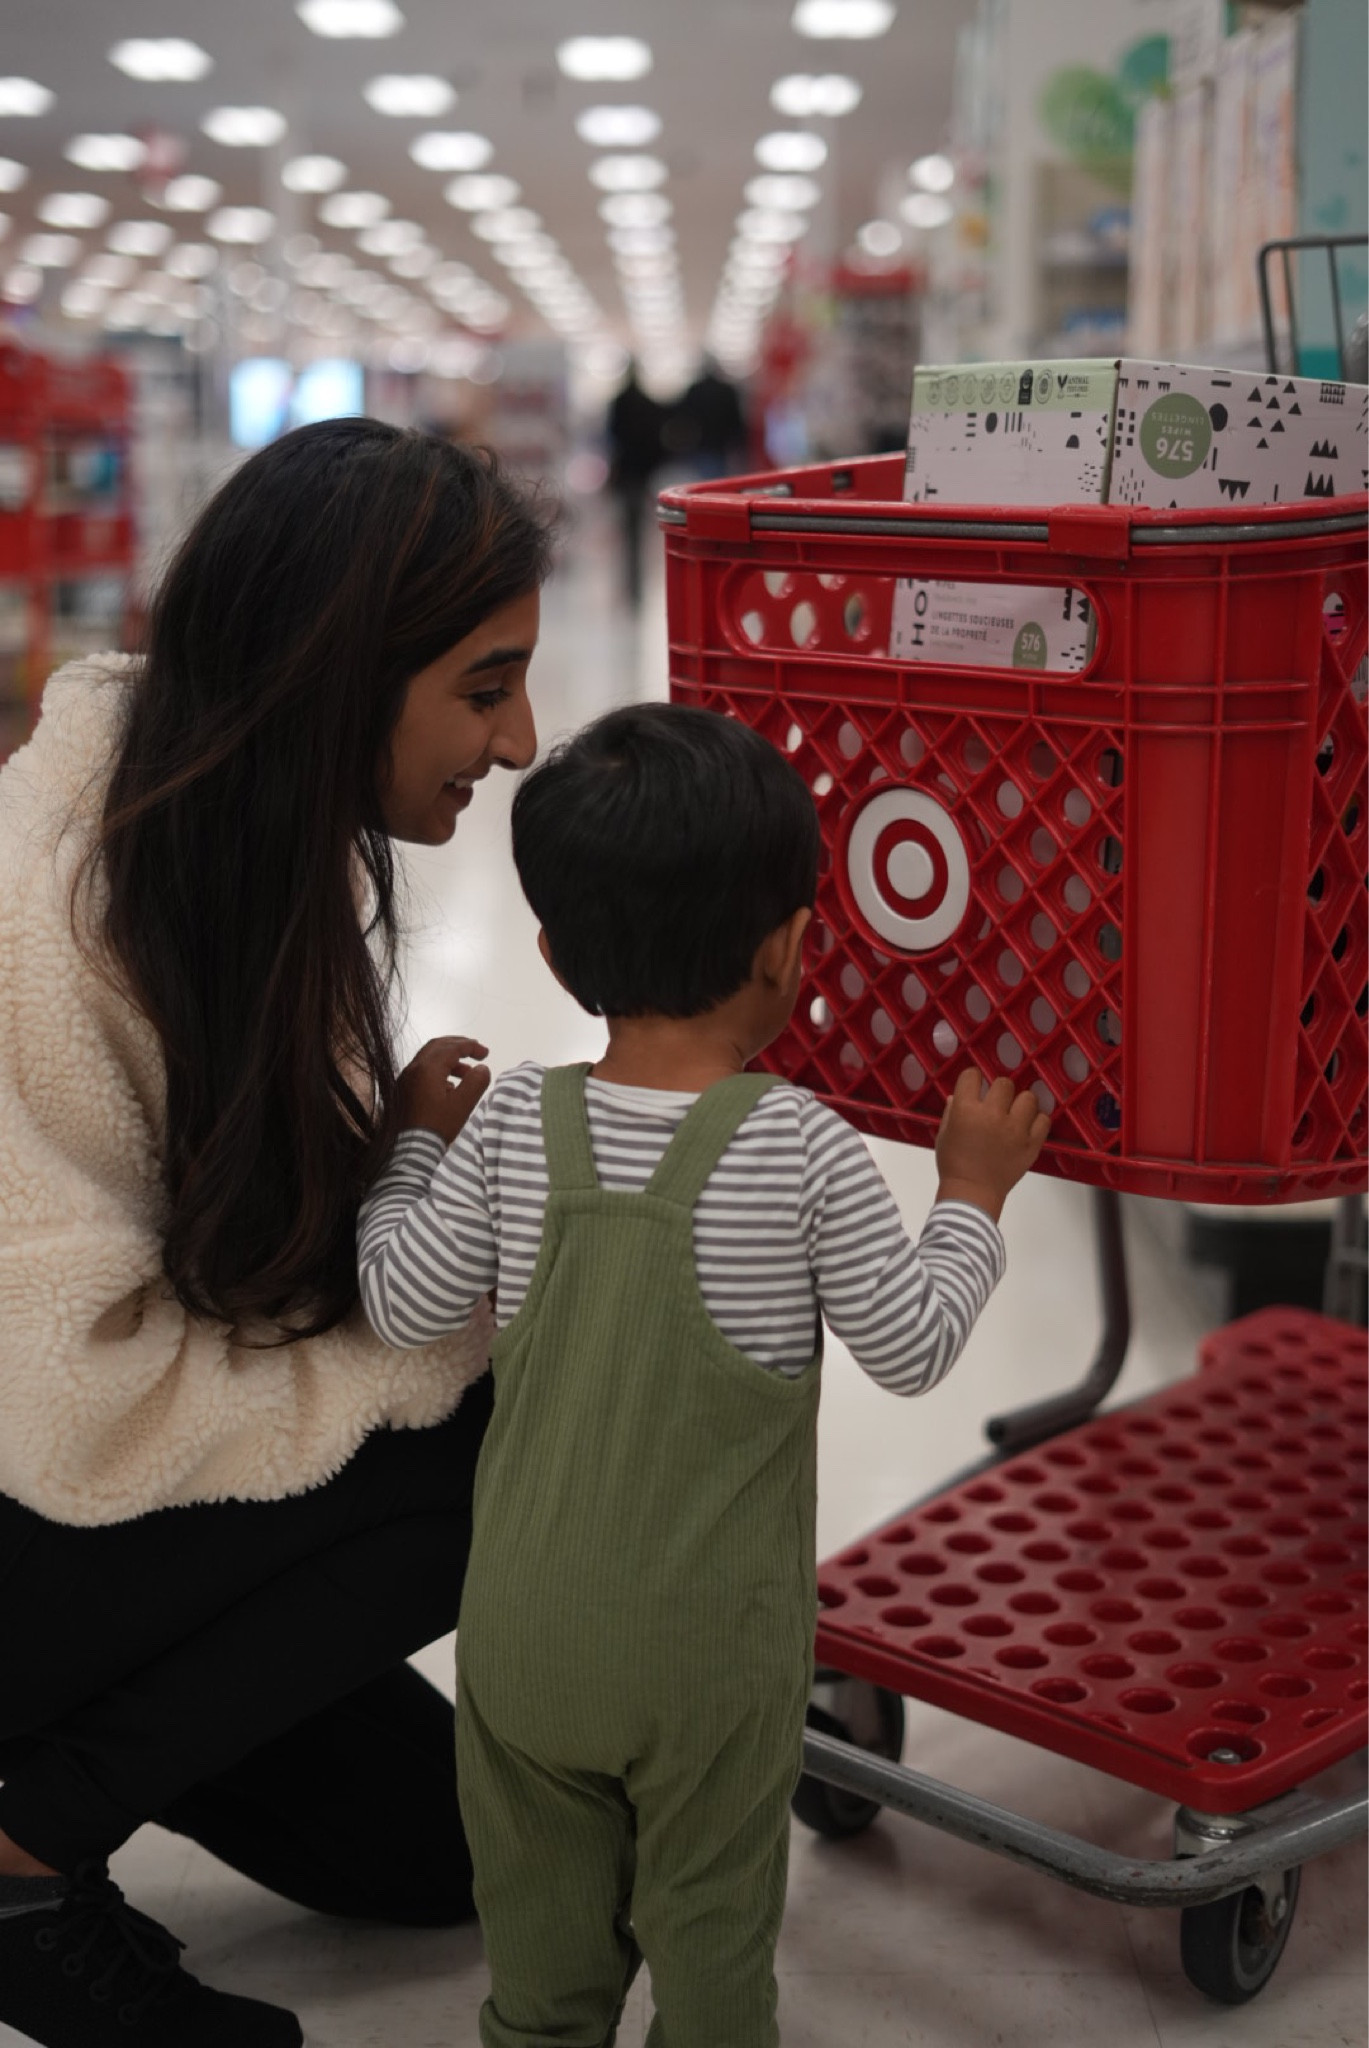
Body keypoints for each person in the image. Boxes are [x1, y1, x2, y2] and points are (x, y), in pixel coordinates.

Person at [357, 703, 1049, 2048]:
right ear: (792, 945)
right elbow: (910, 1346)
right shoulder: (803, 1149)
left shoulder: (511, 1125)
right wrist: (969, 1195)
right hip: (712, 1665)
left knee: (542, 1960)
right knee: (711, 1952)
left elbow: (397, 1302)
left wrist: (410, 1149)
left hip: (524, 1637)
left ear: (555, 959)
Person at [0, 418, 553, 2048]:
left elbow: (230, 1238)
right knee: (517, 1412)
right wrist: (470, 1328)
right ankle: (24, 1859)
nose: (518, 737)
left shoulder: (239, 848)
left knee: (433, 1857)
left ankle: (68, 1770)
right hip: (34, 1477)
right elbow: (66, 1396)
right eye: (480, 683)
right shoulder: (54, 915)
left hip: (96, 1501)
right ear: (336, 669)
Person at [604, 360, 665, 610]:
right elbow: (658, 442)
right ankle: (635, 586)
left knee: (628, 532)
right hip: (643, 476)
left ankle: (630, 585)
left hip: (627, 475)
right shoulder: (649, 405)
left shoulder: (619, 403)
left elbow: (611, 440)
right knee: (638, 533)